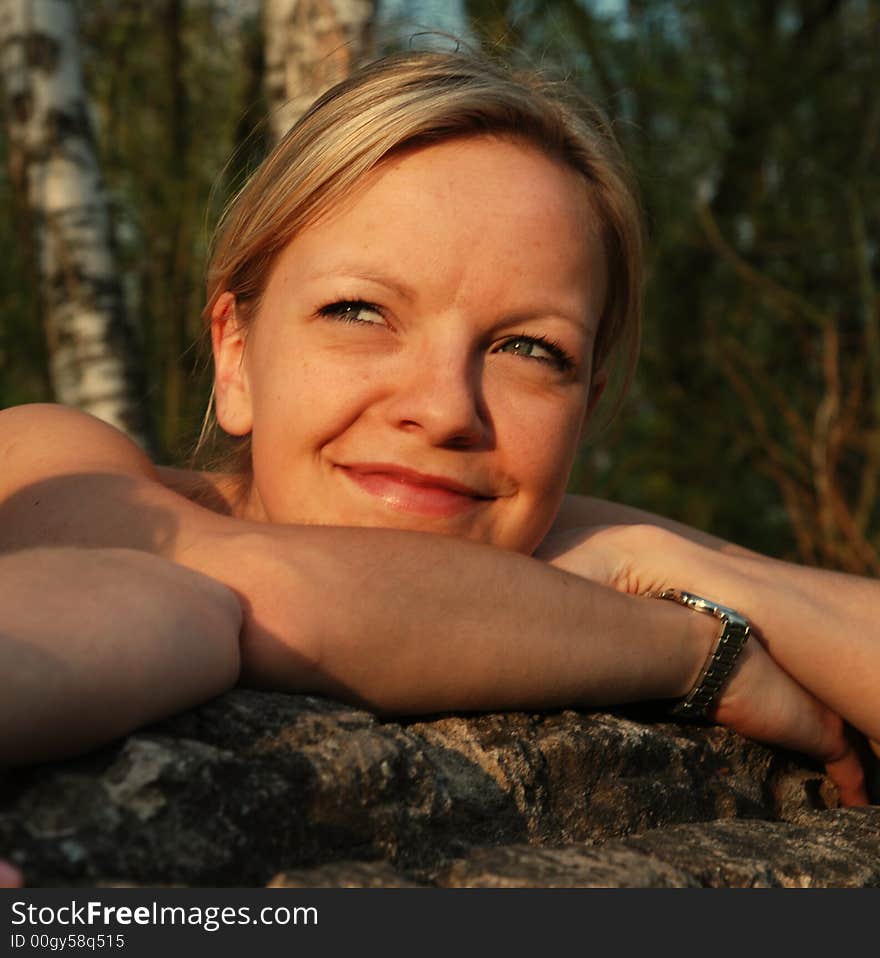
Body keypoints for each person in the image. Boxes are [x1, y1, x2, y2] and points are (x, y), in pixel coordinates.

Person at [0, 50, 876, 809]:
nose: (449, 407)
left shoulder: (586, 551)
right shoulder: (47, 459)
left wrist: (671, 559)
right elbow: (263, 592)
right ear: (235, 355)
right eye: (360, 310)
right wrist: (694, 649)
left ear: (586, 403)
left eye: (532, 349)